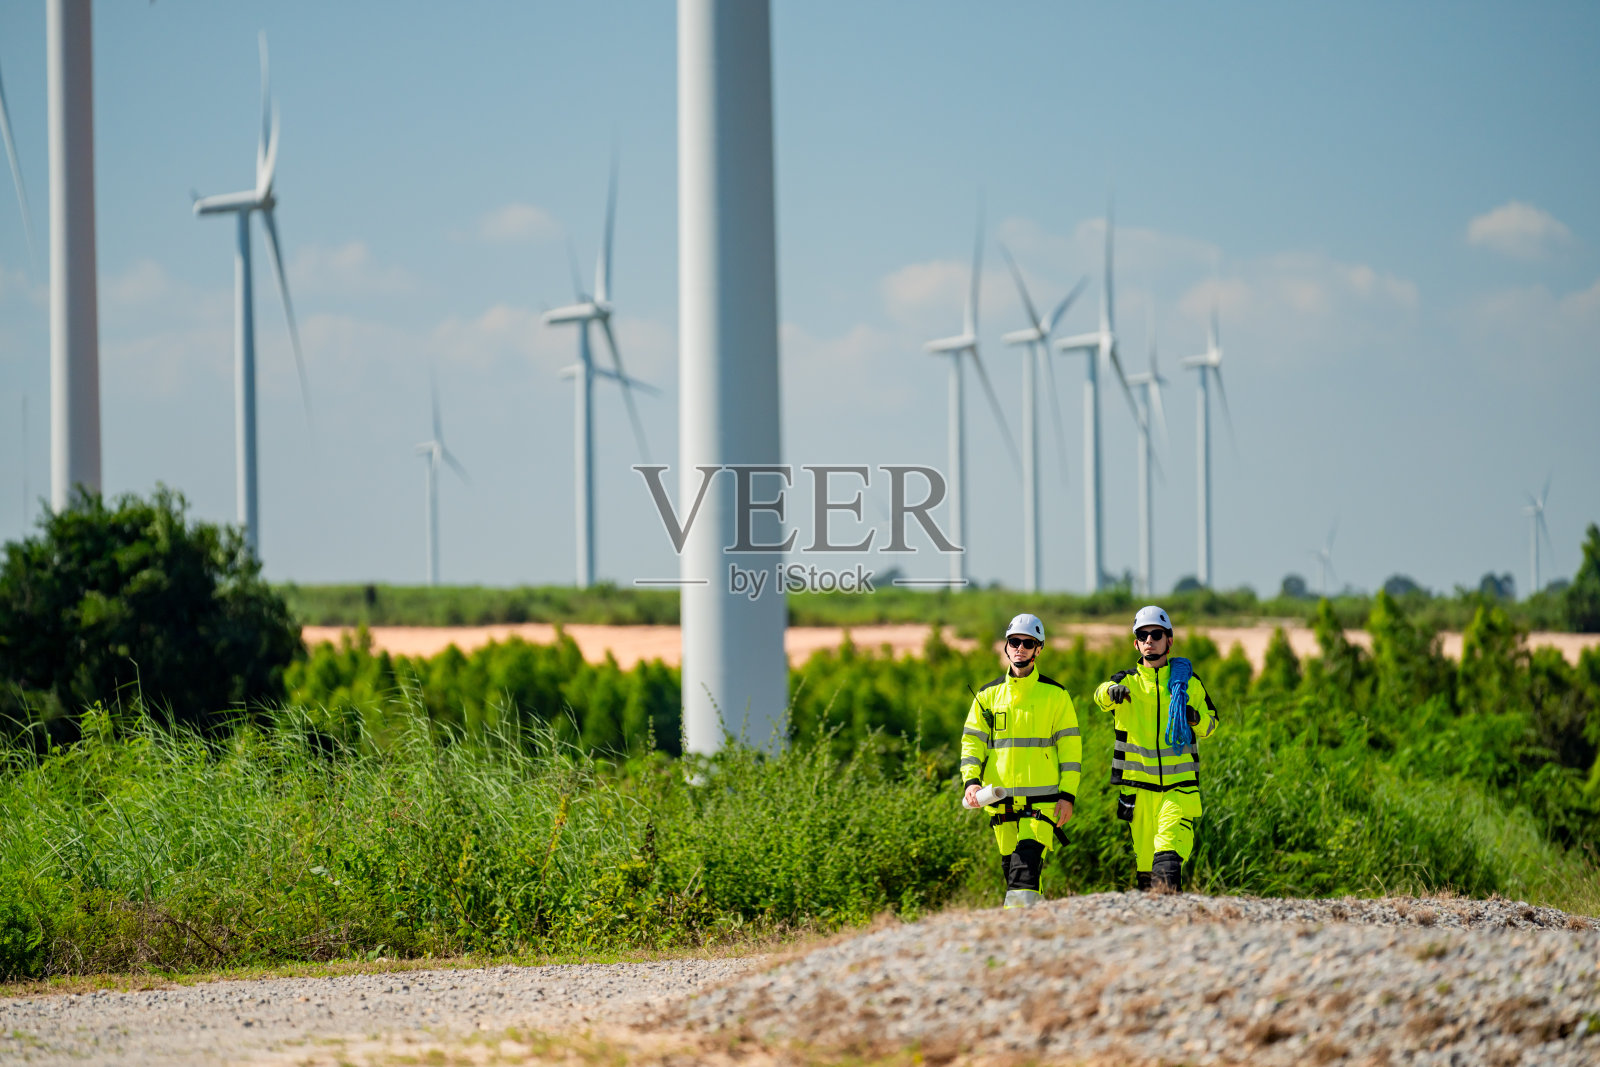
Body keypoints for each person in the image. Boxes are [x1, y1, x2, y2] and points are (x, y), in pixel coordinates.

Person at [1093, 605, 1221, 892]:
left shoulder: (1188, 684)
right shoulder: (1125, 682)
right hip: (1139, 792)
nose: (1150, 640)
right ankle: (1155, 931)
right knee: (1146, 869)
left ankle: (1170, 918)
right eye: (1143, 635)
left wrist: (1195, 719)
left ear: (1169, 640)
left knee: (1168, 855)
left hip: (1179, 788)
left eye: (1156, 634)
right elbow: (1100, 697)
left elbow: (1211, 726)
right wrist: (1110, 692)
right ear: (1136, 643)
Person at [960, 613, 1081, 908]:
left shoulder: (1056, 695)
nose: (1020, 648)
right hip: (999, 803)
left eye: (1028, 643)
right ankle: (1036, 933)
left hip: (1042, 803)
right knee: (1018, 875)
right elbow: (972, 743)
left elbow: (1071, 751)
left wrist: (1067, 795)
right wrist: (971, 782)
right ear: (1006, 645)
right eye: (1015, 641)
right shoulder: (988, 695)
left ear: (1039, 649)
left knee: (1023, 871)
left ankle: (1014, 933)